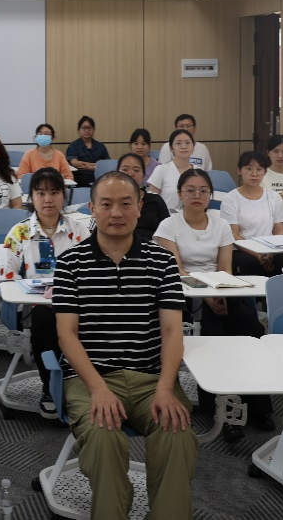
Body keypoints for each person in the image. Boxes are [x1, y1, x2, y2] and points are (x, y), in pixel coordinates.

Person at [54, 171, 197, 520]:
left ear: (139, 207)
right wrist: (98, 389)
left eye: (125, 204)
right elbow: (66, 335)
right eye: (106, 205)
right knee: (103, 438)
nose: (116, 213)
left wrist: (166, 388)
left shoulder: (162, 262)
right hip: (91, 379)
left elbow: (172, 331)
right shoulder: (70, 263)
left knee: (176, 432)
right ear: (92, 209)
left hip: (151, 379)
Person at [153, 168, 273, 440]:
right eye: (190, 190)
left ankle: (259, 406)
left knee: (252, 330)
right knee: (214, 336)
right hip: (183, 295)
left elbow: (225, 269)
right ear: (180, 194)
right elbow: (176, 270)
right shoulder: (169, 225)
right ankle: (222, 410)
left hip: (219, 289)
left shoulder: (220, 224)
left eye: (203, 190)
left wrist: (219, 294)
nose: (197, 195)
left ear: (210, 195)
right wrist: (206, 295)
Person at [0, 168, 91, 414]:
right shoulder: (19, 233)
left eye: (54, 192)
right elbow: (6, 278)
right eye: (40, 193)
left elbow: (91, 273)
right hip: (36, 306)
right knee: (45, 319)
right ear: (32, 197)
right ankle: (50, 387)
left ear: (64, 196)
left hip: (74, 303)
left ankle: (79, 382)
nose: (48, 199)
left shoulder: (79, 231)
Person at [220, 151, 283, 278]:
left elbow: (280, 232)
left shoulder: (274, 197)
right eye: (249, 169)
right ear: (239, 171)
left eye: (259, 169)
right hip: (242, 249)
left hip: (270, 250)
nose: (254, 173)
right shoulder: (230, 199)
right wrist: (257, 254)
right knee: (250, 264)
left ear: (265, 172)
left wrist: (270, 254)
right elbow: (234, 235)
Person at [117, 153, 169, 242]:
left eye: (136, 170)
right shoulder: (110, 201)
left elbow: (168, 231)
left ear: (143, 176)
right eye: (125, 169)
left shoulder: (155, 200)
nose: (131, 173)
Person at [147, 129, 198, 213]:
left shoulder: (198, 172)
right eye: (178, 143)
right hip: (166, 218)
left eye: (188, 143)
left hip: (193, 217)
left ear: (193, 146)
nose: (184, 146)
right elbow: (151, 202)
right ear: (171, 148)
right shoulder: (161, 170)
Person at [66, 116, 110, 188]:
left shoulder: (100, 146)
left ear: (93, 129)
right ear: (79, 130)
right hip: (80, 176)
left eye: (89, 128)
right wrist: (97, 165)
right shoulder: (73, 145)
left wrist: (91, 167)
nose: (87, 130)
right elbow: (75, 163)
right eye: (84, 128)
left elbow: (107, 164)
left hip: (99, 176)